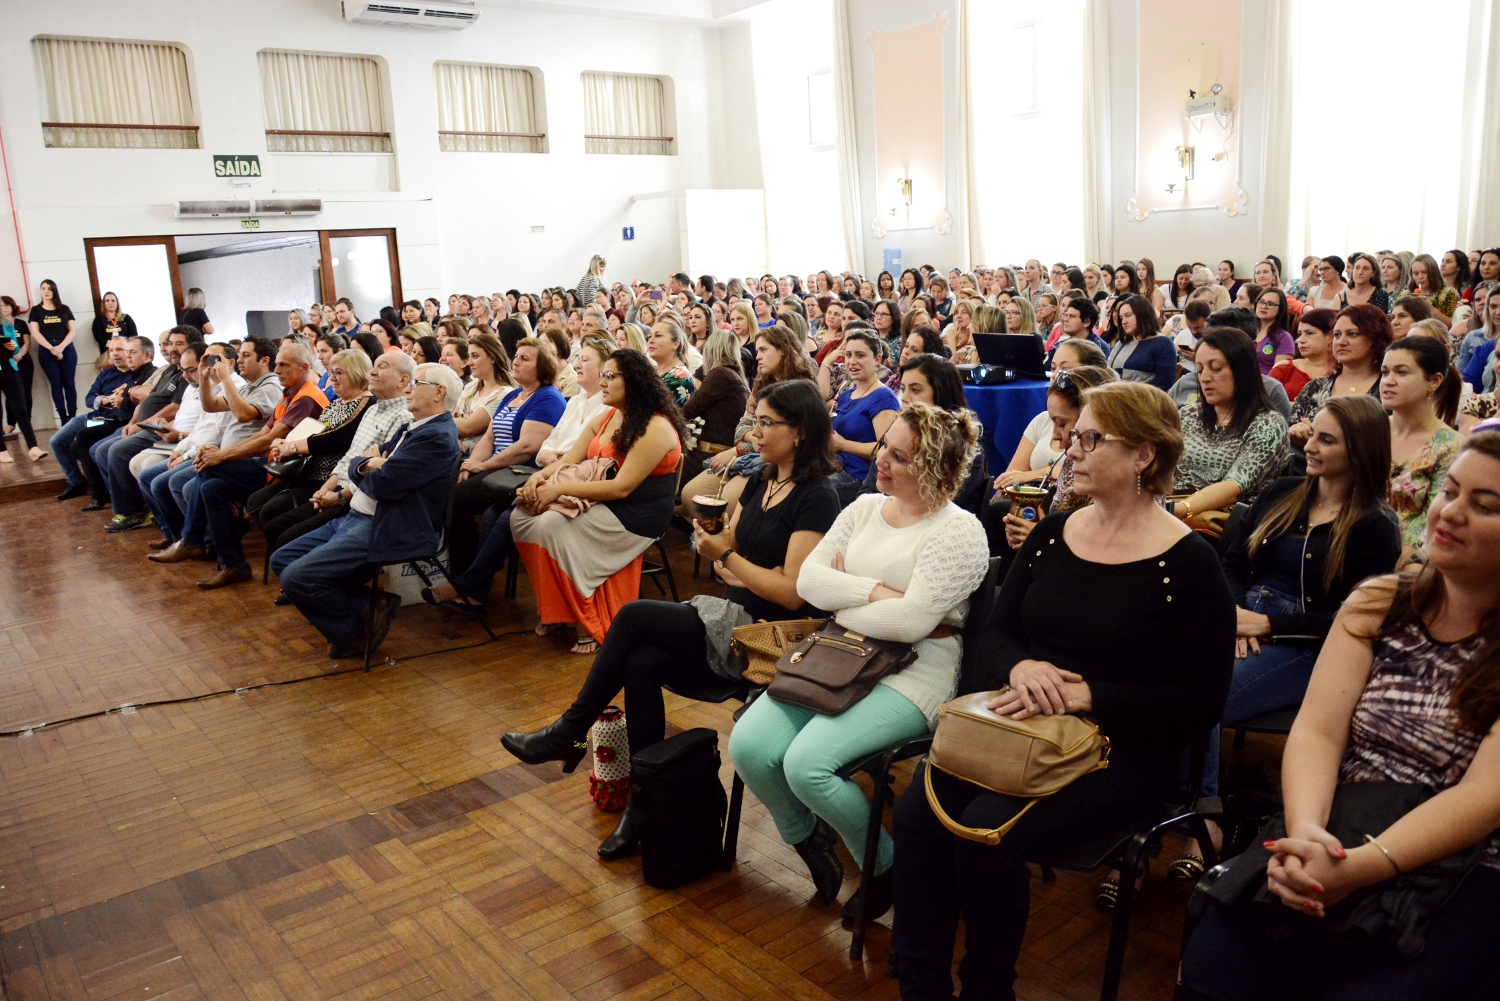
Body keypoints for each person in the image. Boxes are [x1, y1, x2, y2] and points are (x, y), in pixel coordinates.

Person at [892, 381, 1234, 998]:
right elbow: (997, 635)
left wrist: (1088, 695)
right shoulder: (1053, 535)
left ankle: (987, 989)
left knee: (986, 832)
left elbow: (1201, 701)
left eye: (1090, 439)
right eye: (1074, 437)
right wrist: (1023, 667)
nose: (1070, 450)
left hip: (1124, 748)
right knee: (919, 814)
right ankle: (920, 986)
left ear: (1144, 455)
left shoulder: (1189, 564)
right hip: (1027, 723)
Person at [1178, 433, 1500, 1001]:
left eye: (1485, 505)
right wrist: (1307, 835)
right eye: (1450, 492)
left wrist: (1357, 869)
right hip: (1343, 821)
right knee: (1214, 963)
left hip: (1462, 857)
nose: (1450, 512)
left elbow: (1481, 797)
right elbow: (1319, 732)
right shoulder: (1379, 601)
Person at [498, 379, 841, 858]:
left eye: (767, 423)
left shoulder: (818, 496)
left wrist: (728, 559)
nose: (754, 432)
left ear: (801, 431)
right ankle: (640, 806)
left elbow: (789, 593)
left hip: (770, 639)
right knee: (640, 663)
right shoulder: (763, 479)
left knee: (634, 615)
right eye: (756, 420)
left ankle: (570, 731)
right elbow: (731, 552)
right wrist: (719, 549)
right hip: (733, 614)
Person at [731, 403, 989, 919]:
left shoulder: (960, 532)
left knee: (808, 766)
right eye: (884, 446)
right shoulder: (865, 508)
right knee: (748, 747)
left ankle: (884, 867)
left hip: (917, 671)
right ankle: (807, 836)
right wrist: (878, 593)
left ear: (935, 470)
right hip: (840, 654)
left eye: (900, 456)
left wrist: (845, 595)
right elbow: (809, 582)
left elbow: (911, 625)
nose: (881, 461)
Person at [1173, 395, 1402, 876]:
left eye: (1326, 440)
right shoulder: (1285, 491)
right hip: (1241, 618)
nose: (1309, 446)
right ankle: (1162, 805)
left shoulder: (1374, 527)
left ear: (1359, 451)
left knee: (1202, 692)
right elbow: (1232, 561)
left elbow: (1355, 619)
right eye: (1312, 434)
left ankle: (1204, 816)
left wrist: (1269, 625)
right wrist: (1236, 613)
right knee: (1156, 669)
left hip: (1308, 645)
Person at [439, 350, 685, 656]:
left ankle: (587, 621)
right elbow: (569, 459)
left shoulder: (656, 427)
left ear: (634, 381)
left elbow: (622, 488)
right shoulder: (610, 415)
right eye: (603, 375)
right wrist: (537, 479)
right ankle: (557, 611)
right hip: (602, 500)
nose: (603, 382)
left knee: (552, 524)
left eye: (610, 376)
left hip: (637, 515)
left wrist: (558, 490)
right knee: (520, 518)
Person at [271, 364, 462, 659]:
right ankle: (370, 603)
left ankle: (354, 635)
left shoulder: (436, 437)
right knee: (282, 560)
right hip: (357, 516)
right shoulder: (414, 426)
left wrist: (371, 464)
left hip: (387, 525)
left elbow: (383, 485)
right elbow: (359, 462)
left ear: (439, 393)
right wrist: (369, 464)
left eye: (416, 383)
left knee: (297, 578)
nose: (408, 388)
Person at [242, 348, 376, 561]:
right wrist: (287, 444)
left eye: (339, 372)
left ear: (357, 374)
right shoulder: (337, 402)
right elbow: (314, 433)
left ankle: (290, 565)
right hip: (308, 472)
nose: (332, 378)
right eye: (331, 372)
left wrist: (293, 447)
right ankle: (285, 564)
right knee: (256, 502)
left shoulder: (367, 403)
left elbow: (336, 439)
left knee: (273, 519)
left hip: (330, 478)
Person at [676, 323, 818, 521]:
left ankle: (727, 539)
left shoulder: (802, 389)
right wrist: (751, 438)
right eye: (757, 350)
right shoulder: (761, 384)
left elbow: (780, 439)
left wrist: (737, 450)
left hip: (779, 461)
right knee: (690, 493)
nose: (757, 356)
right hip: (749, 454)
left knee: (723, 505)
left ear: (783, 350)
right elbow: (741, 427)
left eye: (764, 350)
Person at [449, 338, 566, 572]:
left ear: (542, 367)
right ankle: (464, 569)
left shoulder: (548, 398)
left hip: (519, 471)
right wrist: (471, 463)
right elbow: (489, 438)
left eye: (525, 359)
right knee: (445, 486)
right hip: (496, 467)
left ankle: (465, 571)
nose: (516, 362)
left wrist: (483, 466)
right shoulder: (512, 395)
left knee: (456, 499)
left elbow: (527, 448)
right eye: (516, 356)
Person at [986, 365, 1118, 558]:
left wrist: (1041, 540)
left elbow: (1093, 554)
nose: (1055, 435)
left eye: (1062, 424)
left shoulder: (1111, 482)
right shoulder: (1072, 463)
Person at [1172, 328, 1290, 534]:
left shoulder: (1268, 424)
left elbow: (1234, 486)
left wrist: (1178, 510)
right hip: (1176, 511)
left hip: (1226, 525)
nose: (1205, 378)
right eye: (1200, 370)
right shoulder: (1188, 415)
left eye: (1216, 368)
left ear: (1243, 370)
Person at [1384, 335, 1463, 562]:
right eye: (1385, 372)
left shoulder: (1451, 446)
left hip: (1414, 560)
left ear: (1434, 381)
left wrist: (1399, 566)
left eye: (1401, 372)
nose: (1388, 381)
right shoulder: (1368, 430)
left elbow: (1435, 521)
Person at [1289, 304, 1391, 447]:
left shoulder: (1389, 389)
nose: (1341, 342)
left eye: (1352, 334)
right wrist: (1297, 432)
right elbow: (1292, 429)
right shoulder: (1314, 388)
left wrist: (1320, 436)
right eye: (1337, 335)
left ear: (1375, 338)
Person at [829, 331, 900, 486]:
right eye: (848, 355)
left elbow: (886, 449)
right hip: (835, 468)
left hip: (859, 477)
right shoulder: (846, 395)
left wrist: (843, 445)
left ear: (877, 359)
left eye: (860, 355)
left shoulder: (883, 396)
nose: (852, 362)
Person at [682, 330, 750, 481]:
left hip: (711, 454)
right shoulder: (735, 376)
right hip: (721, 452)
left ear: (710, 349)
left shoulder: (720, 375)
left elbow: (687, 411)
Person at [450, 333, 512, 456]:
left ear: (493, 357)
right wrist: (453, 437)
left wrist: (443, 421)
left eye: (475, 356)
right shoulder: (470, 387)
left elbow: (468, 427)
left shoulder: (504, 393)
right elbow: (451, 418)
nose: (469, 363)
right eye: (469, 356)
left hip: (477, 456)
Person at [27, 279, 79, 421]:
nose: (46, 291)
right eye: (43, 288)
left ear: (54, 291)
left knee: (69, 383)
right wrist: (52, 349)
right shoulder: (36, 310)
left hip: (66, 348)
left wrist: (61, 347)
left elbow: (72, 331)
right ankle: (63, 418)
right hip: (47, 350)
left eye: (49, 289)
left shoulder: (64, 309)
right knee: (55, 384)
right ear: (40, 291)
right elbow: (35, 333)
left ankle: (73, 417)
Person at [1105, 294, 1176, 389]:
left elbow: (1164, 381)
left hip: (1144, 396)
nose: (1124, 322)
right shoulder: (1122, 343)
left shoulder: (1163, 342)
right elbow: (1108, 371)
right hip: (1117, 393)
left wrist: (1129, 390)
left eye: (1128, 315)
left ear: (1143, 315)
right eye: (1121, 318)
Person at [1269, 307, 1337, 403]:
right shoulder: (1285, 368)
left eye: (1309, 333)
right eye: (1300, 334)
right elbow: (1262, 403)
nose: (1301, 340)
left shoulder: (1345, 372)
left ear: (1330, 336)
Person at [646, 317, 697, 407]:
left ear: (675, 344)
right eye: (649, 336)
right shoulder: (651, 371)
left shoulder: (680, 379)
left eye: (658, 335)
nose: (651, 340)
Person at [1252, 286, 1296, 374]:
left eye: (1270, 304)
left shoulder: (1284, 338)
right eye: (1261, 302)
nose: (1264, 306)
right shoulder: (1247, 330)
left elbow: (1280, 374)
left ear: (1280, 310)